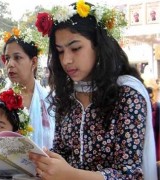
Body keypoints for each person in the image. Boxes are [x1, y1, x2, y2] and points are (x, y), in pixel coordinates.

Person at [30, 1, 157, 179]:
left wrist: (71, 174)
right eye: (60, 51)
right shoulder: (67, 95)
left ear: (98, 45)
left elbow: (129, 174)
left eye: (75, 48)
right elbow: (62, 152)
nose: (66, 60)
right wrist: (45, 162)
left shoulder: (127, 95)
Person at [0, 27, 55, 148]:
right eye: (7, 58)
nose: (10, 64)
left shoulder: (50, 102)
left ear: (34, 62)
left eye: (17, 57)